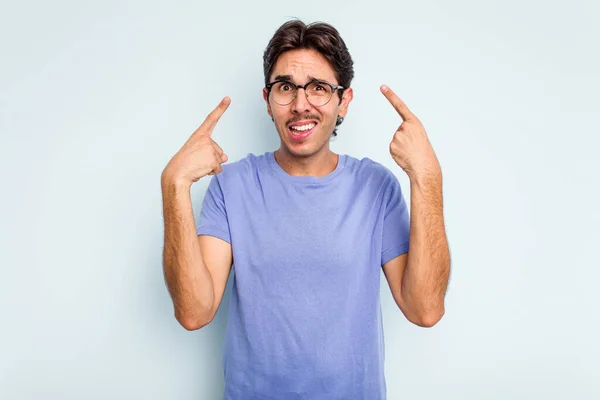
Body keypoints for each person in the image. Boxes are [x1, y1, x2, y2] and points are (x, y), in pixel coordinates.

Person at [160, 19, 451, 400]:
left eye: (318, 88)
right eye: (285, 88)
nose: (300, 106)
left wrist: (427, 177)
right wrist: (174, 185)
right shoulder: (232, 186)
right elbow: (194, 313)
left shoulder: (376, 187)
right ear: (267, 100)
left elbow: (425, 309)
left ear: (343, 100)